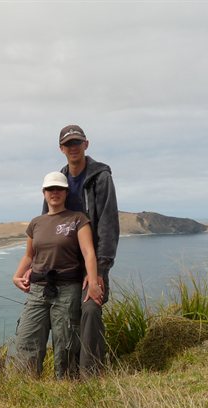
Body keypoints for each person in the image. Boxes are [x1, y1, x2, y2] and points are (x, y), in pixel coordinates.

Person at [13, 172, 103, 378]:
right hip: (38, 290)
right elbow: (29, 255)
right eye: (50, 189)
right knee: (27, 340)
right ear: (44, 193)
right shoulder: (36, 223)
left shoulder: (78, 219)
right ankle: (26, 385)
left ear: (66, 192)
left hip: (67, 289)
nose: (55, 192)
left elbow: (89, 252)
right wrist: (16, 276)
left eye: (59, 189)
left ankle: (65, 385)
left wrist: (93, 282)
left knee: (66, 343)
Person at [46, 124, 119, 374]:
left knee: (90, 308)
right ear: (61, 149)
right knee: (66, 314)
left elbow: (109, 224)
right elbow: (47, 224)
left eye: (77, 143)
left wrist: (99, 270)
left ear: (86, 144)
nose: (73, 148)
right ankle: (66, 373)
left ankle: (91, 373)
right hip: (65, 264)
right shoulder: (58, 180)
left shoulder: (101, 177)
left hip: (93, 263)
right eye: (68, 144)